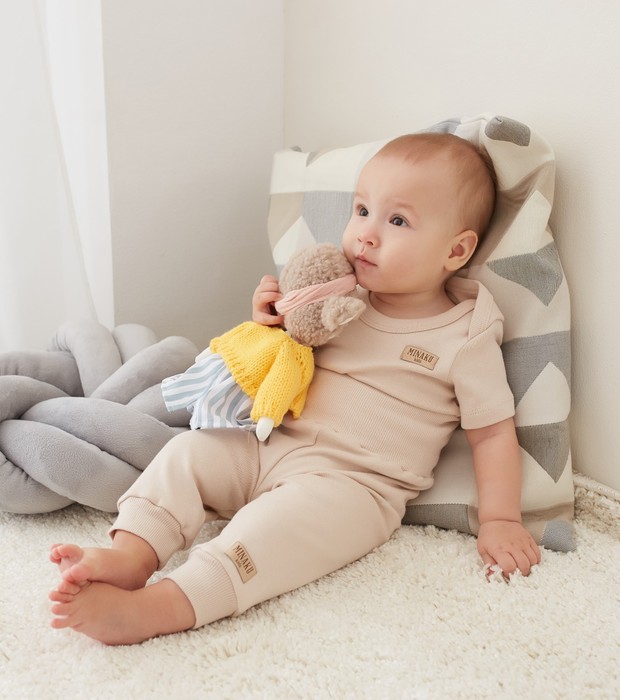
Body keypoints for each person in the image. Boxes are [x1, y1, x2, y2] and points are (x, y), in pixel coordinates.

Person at [49, 132, 541, 645]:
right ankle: (132, 554)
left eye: (397, 221)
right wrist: (270, 317)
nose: (366, 235)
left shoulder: (465, 334)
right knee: (186, 454)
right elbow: (280, 355)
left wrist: (500, 519)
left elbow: (492, 433)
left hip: (353, 487)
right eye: (362, 211)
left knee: (266, 536)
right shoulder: (337, 297)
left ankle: (157, 609)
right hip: (267, 444)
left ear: (456, 250)